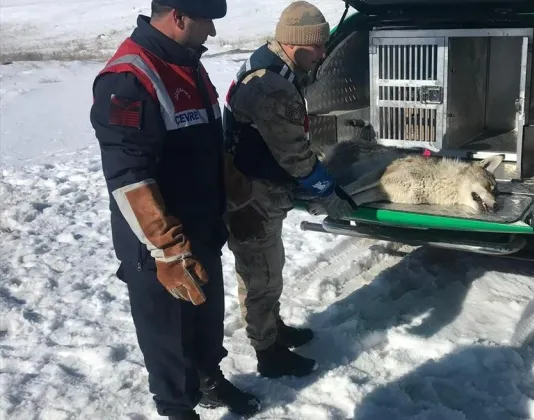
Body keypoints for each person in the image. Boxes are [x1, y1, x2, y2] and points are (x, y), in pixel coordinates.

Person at [90, 1, 262, 418]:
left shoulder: (187, 64)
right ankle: (176, 407)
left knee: (205, 315)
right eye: (207, 23)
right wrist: (167, 249)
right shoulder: (129, 78)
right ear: (179, 17)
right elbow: (129, 176)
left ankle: (209, 379)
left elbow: (208, 144)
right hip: (158, 245)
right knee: (167, 335)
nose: (213, 35)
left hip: (201, 228)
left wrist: (237, 201)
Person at [220, 1, 357, 379]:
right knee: (260, 276)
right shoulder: (272, 87)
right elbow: (295, 156)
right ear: (298, 45)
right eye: (319, 47)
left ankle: (273, 329)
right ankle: (268, 354)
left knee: (269, 270)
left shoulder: (274, 65)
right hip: (251, 198)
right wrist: (328, 194)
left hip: (259, 188)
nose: (324, 54)